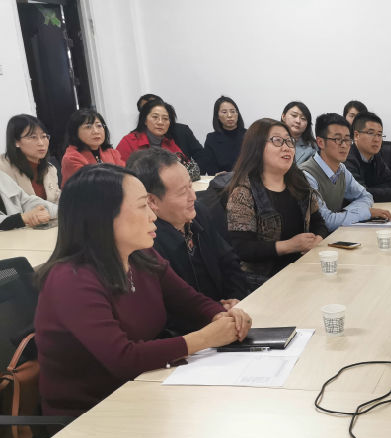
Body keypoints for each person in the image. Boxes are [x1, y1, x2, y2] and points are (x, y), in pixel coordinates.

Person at [34, 164, 251, 418]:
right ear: (103, 216)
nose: (153, 215)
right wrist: (206, 338)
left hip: (146, 389)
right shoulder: (70, 280)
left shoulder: (141, 255)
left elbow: (190, 302)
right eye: (141, 206)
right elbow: (123, 359)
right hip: (91, 415)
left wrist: (222, 316)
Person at [126, 147, 248, 318]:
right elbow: (170, 305)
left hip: (226, 312)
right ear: (152, 201)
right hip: (195, 326)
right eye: (183, 192)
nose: (193, 197)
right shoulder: (146, 243)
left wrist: (235, 299)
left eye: (190, 186)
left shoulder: (198, 212)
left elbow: (229, 262)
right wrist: (215, 312)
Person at [226, 118, 329, 289]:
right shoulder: (243, 192)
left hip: (303, 271)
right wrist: (289, 246)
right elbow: (242, 249)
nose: (286, 147)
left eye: (289, 141)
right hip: (262, 282)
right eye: (277, 140)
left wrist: (318, 239)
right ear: (257, 147)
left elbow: (319, 223)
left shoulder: (298, 181)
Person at [300, 113, 390, 231]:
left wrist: (346, 214)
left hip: (337, 234)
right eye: (337, 139)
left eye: (347, 139)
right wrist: (365, 213)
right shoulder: (307, 175)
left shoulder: (341, 169)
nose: (344, 145)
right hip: (315, 241)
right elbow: (325, 221)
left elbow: (365, 196)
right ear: (320, 142)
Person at [135, 94, 208, 173]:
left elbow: (201, 156)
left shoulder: (179, 133)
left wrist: (193, 174)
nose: (160, 122)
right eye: (147, 110)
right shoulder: (133, 138)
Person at [0, 114, 60, 203]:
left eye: (44, 136)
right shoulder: (3, 169)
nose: (41, 143)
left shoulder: (50, 169)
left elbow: (57, 201)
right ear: (16, 142)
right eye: (33, 137)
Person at [60, 108, 125, 185]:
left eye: (99, 126)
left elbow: (126, 178)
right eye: (88, 127)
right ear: (75, 132)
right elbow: (93, 185)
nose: (96, 131)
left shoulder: (112, 153)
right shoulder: (72, 158)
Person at [117, 100, 185, 163]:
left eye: (165, 118)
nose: (160, 122)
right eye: (155, 117)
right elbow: (118, 170)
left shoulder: (169, 142)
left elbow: (185, 164)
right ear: (145, 120)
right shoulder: (129, 141)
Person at [203, 96, 246, 174]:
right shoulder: (211, 138)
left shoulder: (249, 135)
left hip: (247, 178)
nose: (229, 115)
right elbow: (210, 168)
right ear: (217, 116)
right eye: (224, 112)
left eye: (232, 111)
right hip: (223, 180)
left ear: (237, 114)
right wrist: (217, 175)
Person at [281, 101, 317, 166]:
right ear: (283, 116)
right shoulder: (270, 141)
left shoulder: (313, 148)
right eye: (294, 115)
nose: (298, 121)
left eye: (303, 118)